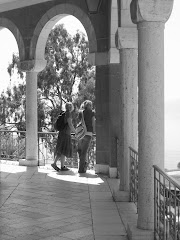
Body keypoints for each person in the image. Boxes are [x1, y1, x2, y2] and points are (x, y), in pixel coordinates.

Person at [51, 102, 76, 171]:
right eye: (70, 107)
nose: (71, 108)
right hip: (65, 134)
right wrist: (75, 132)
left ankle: (58, 164)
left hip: (62, 133)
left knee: (61, 150)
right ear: (70, 107)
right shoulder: (68, 114)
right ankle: (60, 165)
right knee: (63, 149)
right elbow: (70, 124)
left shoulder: (64, 113)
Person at [77, 100, 95, 173]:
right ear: (89, 106)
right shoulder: (92, 113)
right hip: (88, 133)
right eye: (91, 105)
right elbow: (93, 122)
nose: (91, 106)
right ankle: (81, 169)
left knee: (80, 151)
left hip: (81, 134)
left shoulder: (80, 112)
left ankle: (83, 165)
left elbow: (79, 122)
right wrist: (93, 131)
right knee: (84, 152)